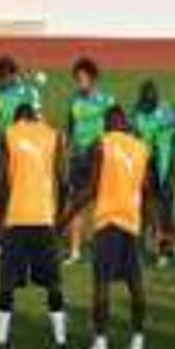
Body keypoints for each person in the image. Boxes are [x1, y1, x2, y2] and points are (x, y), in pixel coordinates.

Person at [59, 106, 155, 349]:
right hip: (131, 225)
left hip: (107, 223)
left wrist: (64, 219)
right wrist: (155, 226)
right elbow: (146, 191)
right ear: (124, 123)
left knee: (101, 285)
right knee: (136, 285)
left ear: (108, 124)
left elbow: (91, 189)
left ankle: (101, 345)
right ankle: (138, 341)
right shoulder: (141, 148)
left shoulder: (103, 145)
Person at [0, 103, 69, 349]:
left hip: (16, 219)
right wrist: (60, 216)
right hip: (44, 218)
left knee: (7, 286)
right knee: (53, 285)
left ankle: (0, 346)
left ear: (17, 118)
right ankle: (62, 346)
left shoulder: (9, 134)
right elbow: (63, 180)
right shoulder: (53, 135)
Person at [0, 56, 42, 251]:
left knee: (21, 195)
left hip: (25, 153)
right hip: (0, 151)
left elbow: (38, 121)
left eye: (5, 76)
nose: (2, 81)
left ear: (14, 74)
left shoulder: (30, 93)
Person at [63, 57, 114, 265]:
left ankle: (102, 250)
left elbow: (115, 130)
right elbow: (70, 128)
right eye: (77, 78)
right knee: (76, 204)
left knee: (102, 205)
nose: (80, 82)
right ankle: (74, 251)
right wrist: (65, 152)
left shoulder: (107, 101)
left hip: (100, 160)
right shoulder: (74, 101)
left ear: (93, 79)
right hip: (78, 158)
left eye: (83, 78)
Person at [130, 80, 175, 265]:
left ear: (157, 98)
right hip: (144, 163)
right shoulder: (136, 112)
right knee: (143, 206)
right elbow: (133, 137)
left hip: (165, 163)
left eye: (151, 102)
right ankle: (141, 247)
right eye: (145, 102)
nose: (147, 106)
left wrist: (174, 169)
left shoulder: (168, 112)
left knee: (165, 207)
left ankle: (165, 250)